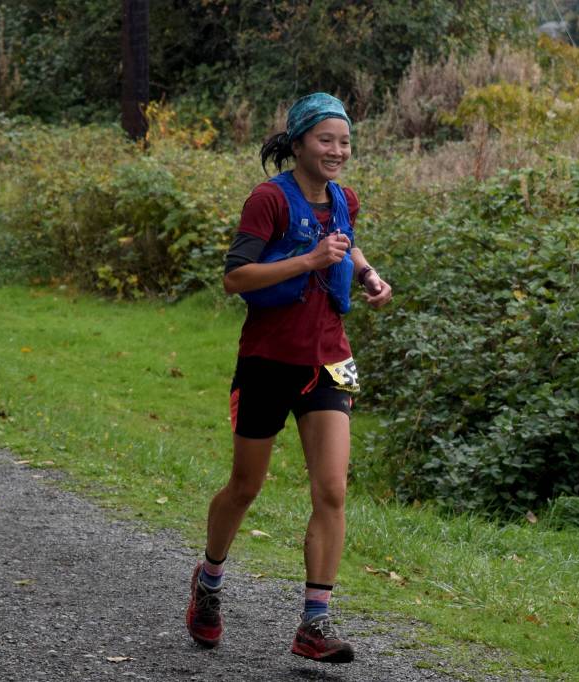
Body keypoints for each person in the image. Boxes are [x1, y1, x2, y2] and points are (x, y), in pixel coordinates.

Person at [185, 93, 392, 663]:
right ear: (298, 142)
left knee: (331, 489)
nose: (337, 150)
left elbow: (344, 246)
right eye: (326, 140)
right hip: (268, 362)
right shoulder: (268, 201)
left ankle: (314, 623)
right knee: (245, 486)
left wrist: (370, 275)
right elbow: (235, 278)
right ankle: (208, 582)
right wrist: (309, 260)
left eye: (344, 141)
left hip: (329, 359)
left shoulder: (343, 200)